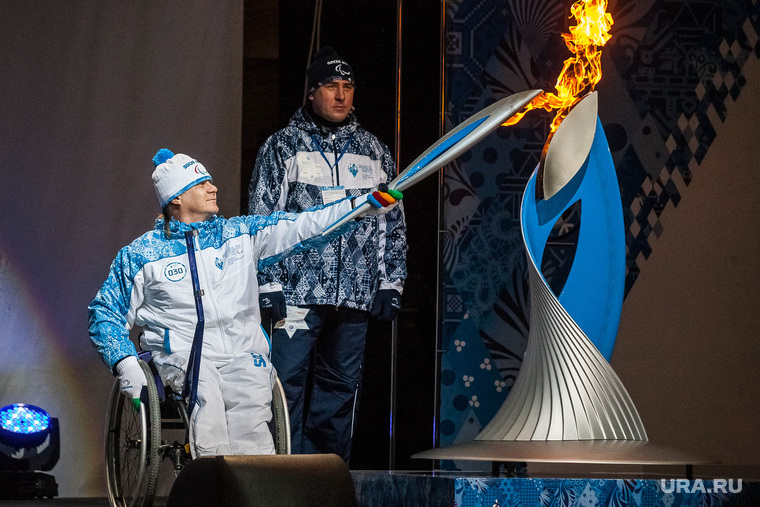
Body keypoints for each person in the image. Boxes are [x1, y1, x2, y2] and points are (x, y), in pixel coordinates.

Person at [88, 148, 401, 458]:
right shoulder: (141, 255)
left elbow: (304, 225)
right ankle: (213, 490)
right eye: (201, 184)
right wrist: (125, 363)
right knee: (207, 404)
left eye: (210, 181)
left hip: (242, 352)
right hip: (186, 357)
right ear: (176, 199)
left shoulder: (240, 234)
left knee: (252, 421)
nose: (213, 188)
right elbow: (105, 312)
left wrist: (360, 206)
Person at [248, 46, 408, 461]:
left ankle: (324, 484)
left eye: (348, 87)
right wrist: (267, 281)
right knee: (285, 388)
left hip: (354, 296)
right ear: (312, 92)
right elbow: (262, 220)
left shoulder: (374, 152)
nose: (341, 96)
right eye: (331, 87)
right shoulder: (283, 147)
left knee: (338, 395)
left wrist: (391, 282)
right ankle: (280, 479)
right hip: (296, 295)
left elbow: (393, 223)